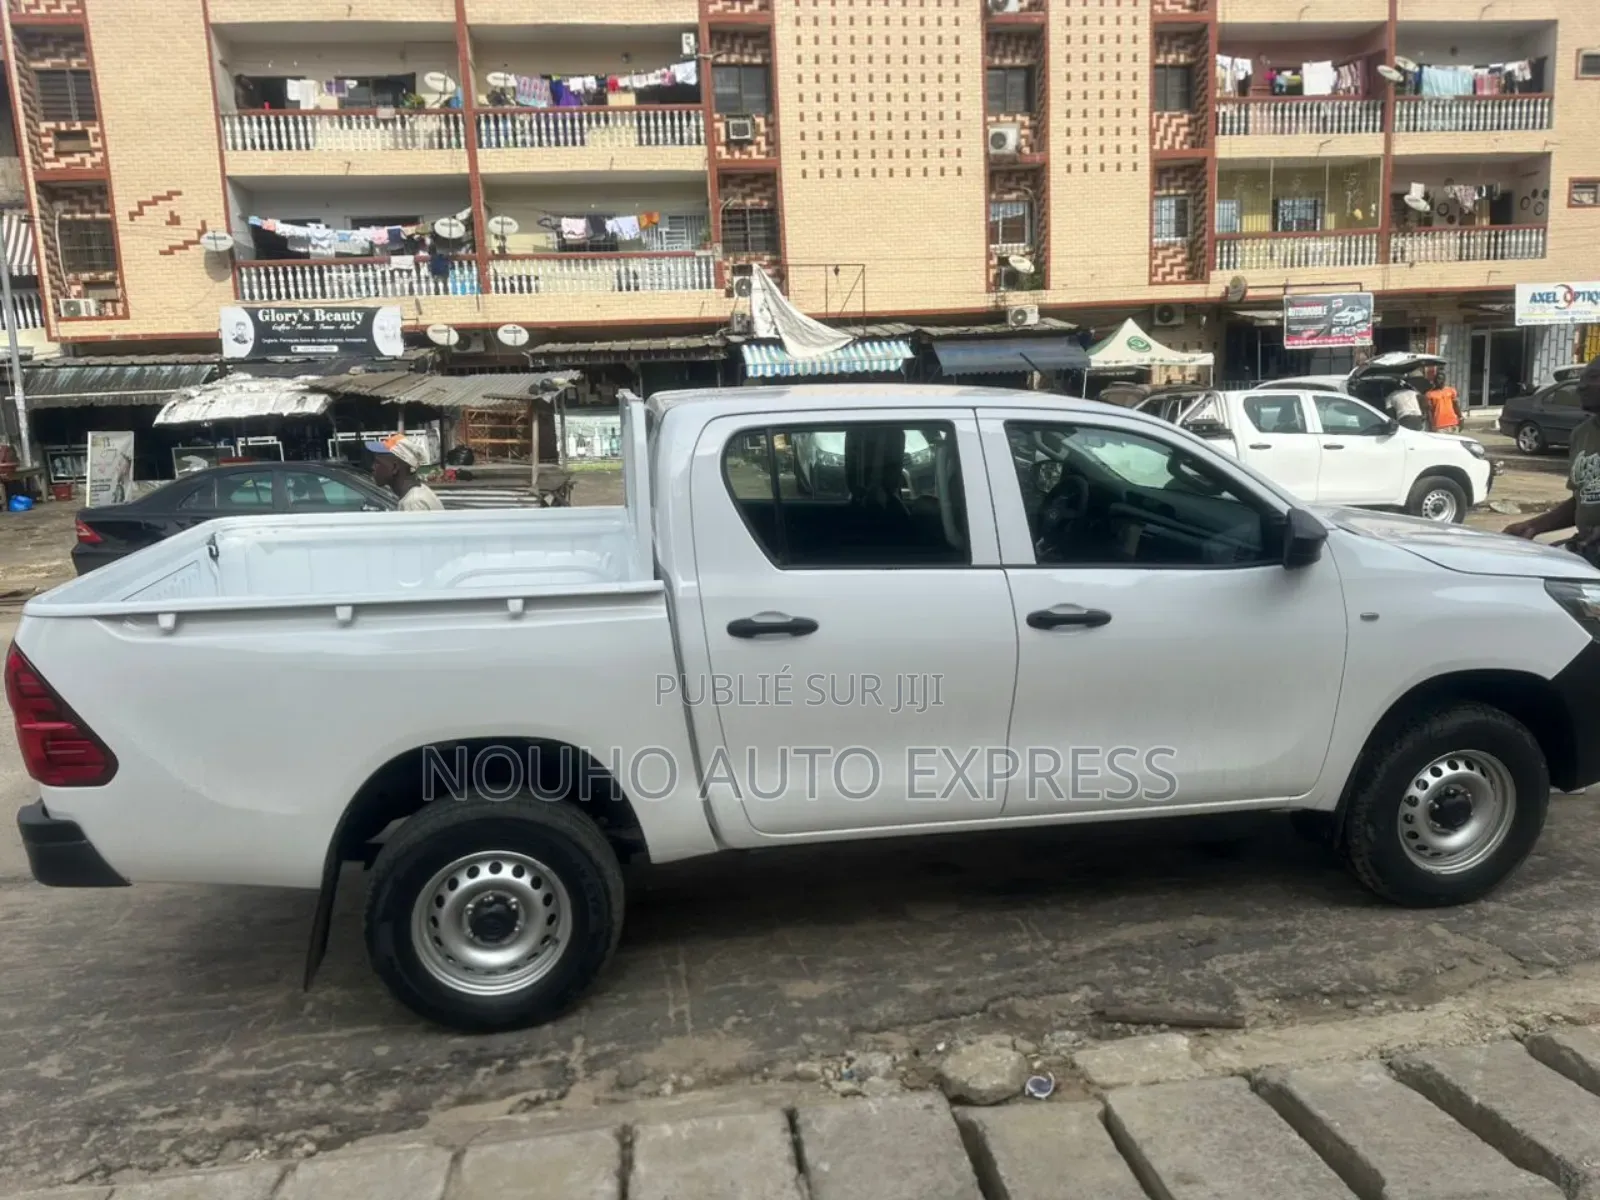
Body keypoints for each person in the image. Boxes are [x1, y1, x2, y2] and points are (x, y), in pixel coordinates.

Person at [1505, 359, 1600, 559]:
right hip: (1588, 548)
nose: (1581, 386)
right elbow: (1583, 499)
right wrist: (1532, 526)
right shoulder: (1581, 434)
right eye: (1581, 379)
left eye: (1593, 377)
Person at [365, 433, 443, 512]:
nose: (372, 467)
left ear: (394, 468)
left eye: (377, 463)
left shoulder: (413, 503)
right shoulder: (417, 492)